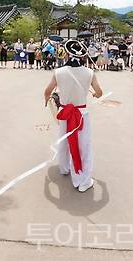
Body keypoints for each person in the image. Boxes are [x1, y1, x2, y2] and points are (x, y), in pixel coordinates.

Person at [44, 39, 103, 193]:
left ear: (68, 53)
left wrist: (48, 104)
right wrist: (95, 94)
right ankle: (82, 180)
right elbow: (99, 92)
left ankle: (64, 168)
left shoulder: (59, 72)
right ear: (83, 55)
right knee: (83, 145)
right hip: (81, 113)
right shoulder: (89, 73)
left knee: (63, 140)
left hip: (64, 112)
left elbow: (47, 91)